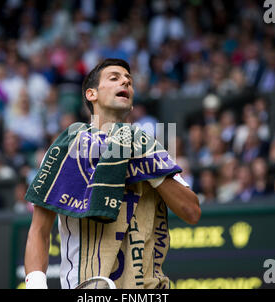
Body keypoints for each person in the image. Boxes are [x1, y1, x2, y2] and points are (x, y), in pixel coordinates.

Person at [24, 58, 201, 289]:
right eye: (115, 78)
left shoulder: (149, 149)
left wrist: (151, 168)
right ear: (91, 94)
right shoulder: (67, 147)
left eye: (129, 81)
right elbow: (39, 229)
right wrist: (36, 285)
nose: (126, 82)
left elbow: (192, 212)